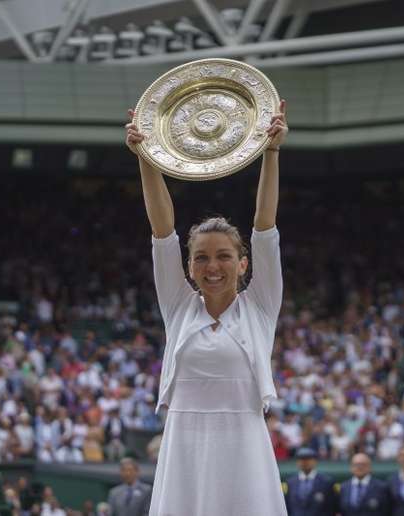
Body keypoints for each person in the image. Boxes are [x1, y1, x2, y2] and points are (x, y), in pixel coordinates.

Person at [125, 100, 289, 516]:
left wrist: (271, 152)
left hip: (244, 443)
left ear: (243, 263)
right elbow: (162, 232)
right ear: (188, 266)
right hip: (185, 444)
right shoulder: (178, 306)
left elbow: (265, 226)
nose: (212, 267)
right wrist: (147, 158)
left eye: (223, 256)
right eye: (201, 257)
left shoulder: (261, 307)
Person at [284, 447, 336, 516]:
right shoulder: (291, 482)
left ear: (315, 461)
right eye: (301, 459)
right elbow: (288, 507)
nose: (305, 462)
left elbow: (331, 509)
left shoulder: (326, 482)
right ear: (297, 462)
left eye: (308, 459)